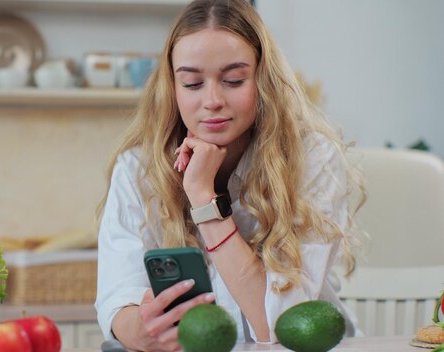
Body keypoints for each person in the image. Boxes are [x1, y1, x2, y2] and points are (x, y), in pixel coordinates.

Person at [95, 0, 364, 350]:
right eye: (192, 84)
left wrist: (203, 198)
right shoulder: (138, 169)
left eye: (233, 80)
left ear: (264, 79)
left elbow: (281, 326)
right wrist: (138, 328)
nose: (212, 100)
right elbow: (119, 299)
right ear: (172, 89)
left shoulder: (312, 159)